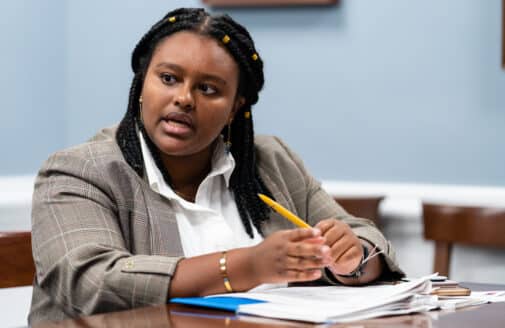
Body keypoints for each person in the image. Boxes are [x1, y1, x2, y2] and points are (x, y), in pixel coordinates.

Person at [29, 7, 403, 325]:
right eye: (169, 78)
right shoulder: (78, 171)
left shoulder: (270, 161)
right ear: (142, 82)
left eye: (208, 89)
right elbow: (91, 282)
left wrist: (353, 258)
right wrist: (245, 267)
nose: (183, 99)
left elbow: (362, 239)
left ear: (236, 106)